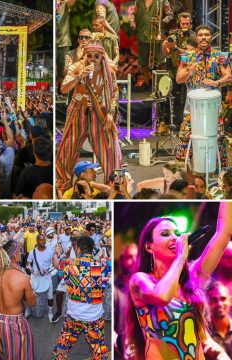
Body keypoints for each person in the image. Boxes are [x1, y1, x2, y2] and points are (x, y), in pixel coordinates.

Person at [125, 202, 232, 359]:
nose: (174, 238)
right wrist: (181, 257)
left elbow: (224, 232)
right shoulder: (140, 280)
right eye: (165, 234)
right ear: (149, 247)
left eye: (177, 233)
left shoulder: (192, 277)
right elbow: (162, 296)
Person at [56, 39, 121, 193]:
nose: (93, 59)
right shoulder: (77, 67)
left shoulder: (108, 71)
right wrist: (79, 76)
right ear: (85, 55)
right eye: (90, 56)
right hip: (78, 111)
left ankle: (112, 190)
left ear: (102, 56)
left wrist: (111, 113)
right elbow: (64, 89)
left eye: (96, 56)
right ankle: (63, 190)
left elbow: (115, 92)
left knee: (110, 153)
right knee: (67, 152)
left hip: (99, 114)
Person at [176, 25, 232, 166]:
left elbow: (229, 77)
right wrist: (190, 72)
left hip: (213, 107)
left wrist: (216, 82)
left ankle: (221, 177)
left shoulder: (220, 56)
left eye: (207, 34)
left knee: (218, 139)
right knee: (185, 138)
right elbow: (178, 79)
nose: (204, 37)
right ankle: (181, 175)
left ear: (211, 37)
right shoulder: (187, 57)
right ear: (197, 38)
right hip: (192, 107)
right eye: (200, 35)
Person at [52, 235, 111, 359]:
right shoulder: (104, 266)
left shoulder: (69, 267)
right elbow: (107, 260)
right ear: (92, 249)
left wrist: (59, 254)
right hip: (94, 319)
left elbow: (58, 268)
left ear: (78, 249)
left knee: (60, 350)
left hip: (73, 318)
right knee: (99, 352)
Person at [0, 239, 36, 360]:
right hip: (14, 325)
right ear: (14, 254)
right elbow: (32, 304)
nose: (21, 254)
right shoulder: (23, 278)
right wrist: (33, 294)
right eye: (20, 251)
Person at [162, 12, 197, 125]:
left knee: (183, 99)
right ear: (179, 23)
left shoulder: (193, 36)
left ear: (191, 23)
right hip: (173, 70)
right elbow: (166, 52)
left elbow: (192, 52)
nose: (185, 25)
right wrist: (165, 46)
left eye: (187, 23)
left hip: (186, 72)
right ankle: (168, 123)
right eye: (183, 23)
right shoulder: (174, 34)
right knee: (169, 97)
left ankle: (182, 124)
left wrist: (176, 47)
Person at [129, 0, 173, 88]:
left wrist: (161, 21)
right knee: (143, 61)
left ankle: (160, 84)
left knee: (160, 61)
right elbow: (133, 14)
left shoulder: (162, 1)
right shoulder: (138, 1)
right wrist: (132, 21)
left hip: (157, 35)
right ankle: (146, 82)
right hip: (142, 34)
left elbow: (170, 15)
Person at [26, 234, 59, 322]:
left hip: (47, 277)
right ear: (37, 241)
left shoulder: (50, 251)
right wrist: (32, 271)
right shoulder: (32, 252)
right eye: (41, 240)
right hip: (35, 277)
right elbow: (27, 264)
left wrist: (49, 270)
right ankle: (29, 310)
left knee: (50, 295)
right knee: (31, 294)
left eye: (44, 240)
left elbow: (54, 264)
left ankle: (50, 312)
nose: (43, 242)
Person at [207, 282, 232, 357]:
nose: (219, 304)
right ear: (208, 303)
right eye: (214, 300)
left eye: (223, 298)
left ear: (230, 301)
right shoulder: (204, 334)